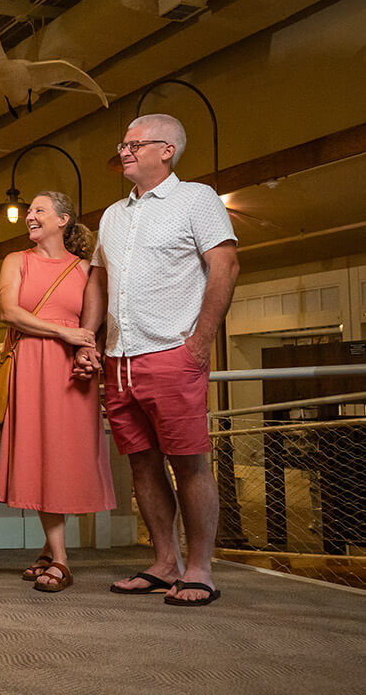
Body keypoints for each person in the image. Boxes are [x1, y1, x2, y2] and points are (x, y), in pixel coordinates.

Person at [74, 113, 239, 607]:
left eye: (133, 144)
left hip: (172, 351)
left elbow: (225, 265)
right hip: (119, 358)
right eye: (122, 145)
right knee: (143, 467)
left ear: (166, 150)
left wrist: (201, 339)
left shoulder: (197, 199)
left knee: (190, 465)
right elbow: (98, 282)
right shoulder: (112, 215)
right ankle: (165, 561)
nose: (123, 151)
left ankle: (199, 568)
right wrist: (89, 339)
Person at [0, 192, 116, 593]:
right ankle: (60, 558)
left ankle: (52, 552)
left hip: (73, 372)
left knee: (65, 456)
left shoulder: (85, 269)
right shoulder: (17, 261)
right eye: (28, 210)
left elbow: (94, 322)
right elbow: (9, 313)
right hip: (31, 364)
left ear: (63, 220)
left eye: (38, 210)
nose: (29, 215)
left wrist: (86, 350)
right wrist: (65, 332)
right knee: (43, 452)